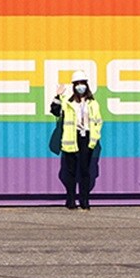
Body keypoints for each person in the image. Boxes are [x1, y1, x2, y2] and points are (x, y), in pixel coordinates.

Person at [50, 70, 103, 210]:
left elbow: (98, 121)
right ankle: (71, 200)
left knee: (85, 171)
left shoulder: (93, 103)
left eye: (82, 83)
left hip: (86, 139)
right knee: (71, 171)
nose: (80, 86)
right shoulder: (68, 102)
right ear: (74, 86)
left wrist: (95, 136)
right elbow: (55, 111)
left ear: (86, 85)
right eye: (77, 84)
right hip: (71, 139)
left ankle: (85, 200)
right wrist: (57, 95)